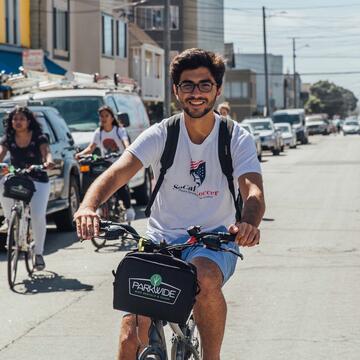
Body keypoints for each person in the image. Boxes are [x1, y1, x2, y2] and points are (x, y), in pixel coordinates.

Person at [74, 48, 265, 360]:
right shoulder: (163, 134)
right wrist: (88, 206)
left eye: (205, 85)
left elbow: (253, 190)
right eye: (187, 85)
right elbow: (116, 173)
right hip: (160, 239)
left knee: (203, 277)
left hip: (214, 241)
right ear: (176, 90)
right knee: (129, 334)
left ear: (217, 89)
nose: (196, 93)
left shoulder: (235, 137)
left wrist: (249, 223)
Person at [0, 106, 55, 271]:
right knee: (1, 181)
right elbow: (1, 153)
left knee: (38, 216)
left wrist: (48, 162)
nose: (17, 122)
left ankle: (38, 253)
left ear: (29, 121)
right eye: (15, 119)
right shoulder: (8, 138)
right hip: (17, 178)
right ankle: (10, 219)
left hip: (38, 180)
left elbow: (47, 153)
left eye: (21, 119)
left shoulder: (39, 137)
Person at [75, 105, 135, 222]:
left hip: (120, 162)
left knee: (120, 184)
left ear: (112, 118)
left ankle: (128, 208)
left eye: (106, 116)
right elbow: (91, 148)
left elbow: (126, 143)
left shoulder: (119, 130)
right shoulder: (99, 133)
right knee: (99, 182)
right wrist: (80, 155)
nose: (103, 118)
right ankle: (101, 207)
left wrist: (128, 150)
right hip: (106, 163)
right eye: (101, 116)